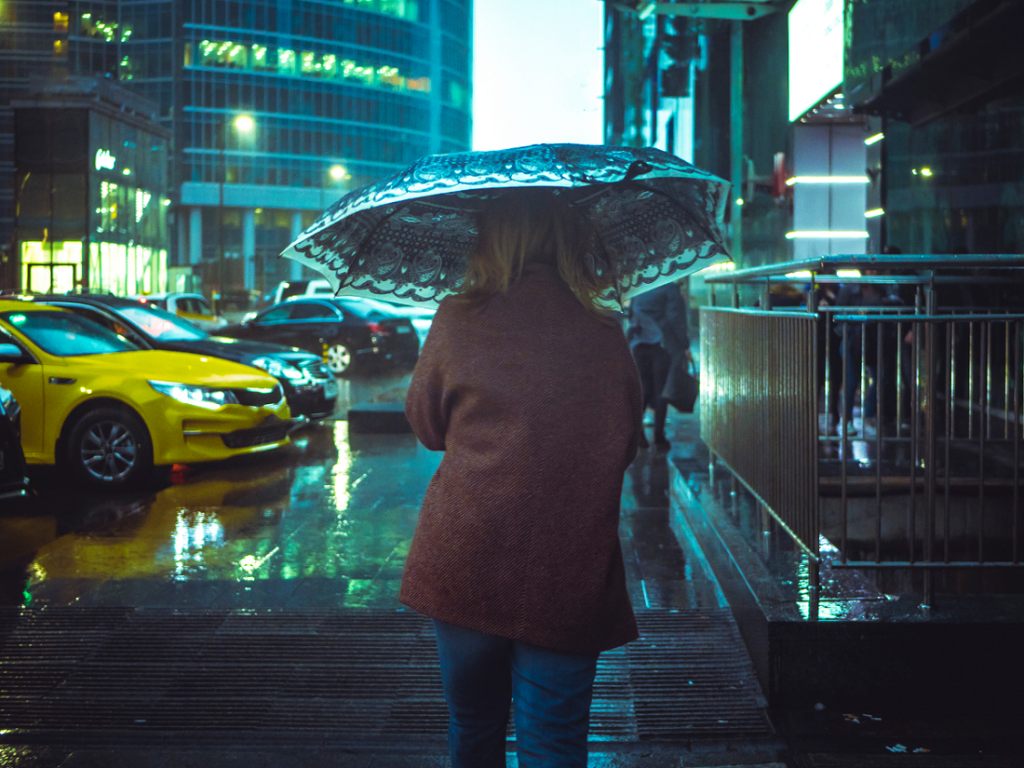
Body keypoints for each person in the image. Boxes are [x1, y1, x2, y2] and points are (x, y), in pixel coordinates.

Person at [401, 189, 643, 768]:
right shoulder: (602, 331)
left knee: (474, 731)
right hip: (568, 566)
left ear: (487, 239)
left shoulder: (458, 319)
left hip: (464, 560)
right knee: (554, 746)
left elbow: (427, 427)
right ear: (569, 241)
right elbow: (625, 442)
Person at [626, 281, 690, 449]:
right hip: (661, 345)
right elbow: (676, 318)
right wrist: (684, 343)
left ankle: (638, 434)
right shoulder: (670, 287)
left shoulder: (640, 286)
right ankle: (659, 435)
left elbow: (631, 314)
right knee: (661, 390)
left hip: (639, 344)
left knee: (644, 390)